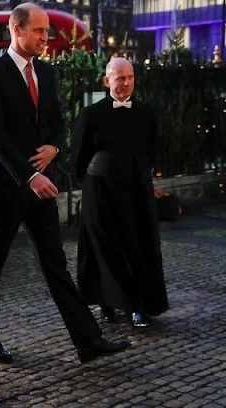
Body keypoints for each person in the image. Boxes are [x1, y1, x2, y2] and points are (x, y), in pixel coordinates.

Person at [0, 3, 130, 364]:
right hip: (7, 185)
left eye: (47, 31)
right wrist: (29, 175)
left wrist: (54, 147)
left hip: (41, 186)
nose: (47, 38)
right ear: (17, 29)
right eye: (40, 31)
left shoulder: (45, 72)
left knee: (55, 264)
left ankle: (88, 342)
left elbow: (57, 120)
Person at [70, 57, 169, 328]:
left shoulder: (146, 113)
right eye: (120, 78)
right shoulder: (91, 114)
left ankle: (138, 306)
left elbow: (153, 149)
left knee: (137, 246)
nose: (126, 83)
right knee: (103, 247)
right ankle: (107, 301)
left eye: (130, 78)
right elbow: (78, 157)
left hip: (136, 190)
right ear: (107, 82)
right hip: (100, 190)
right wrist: (93, 183)